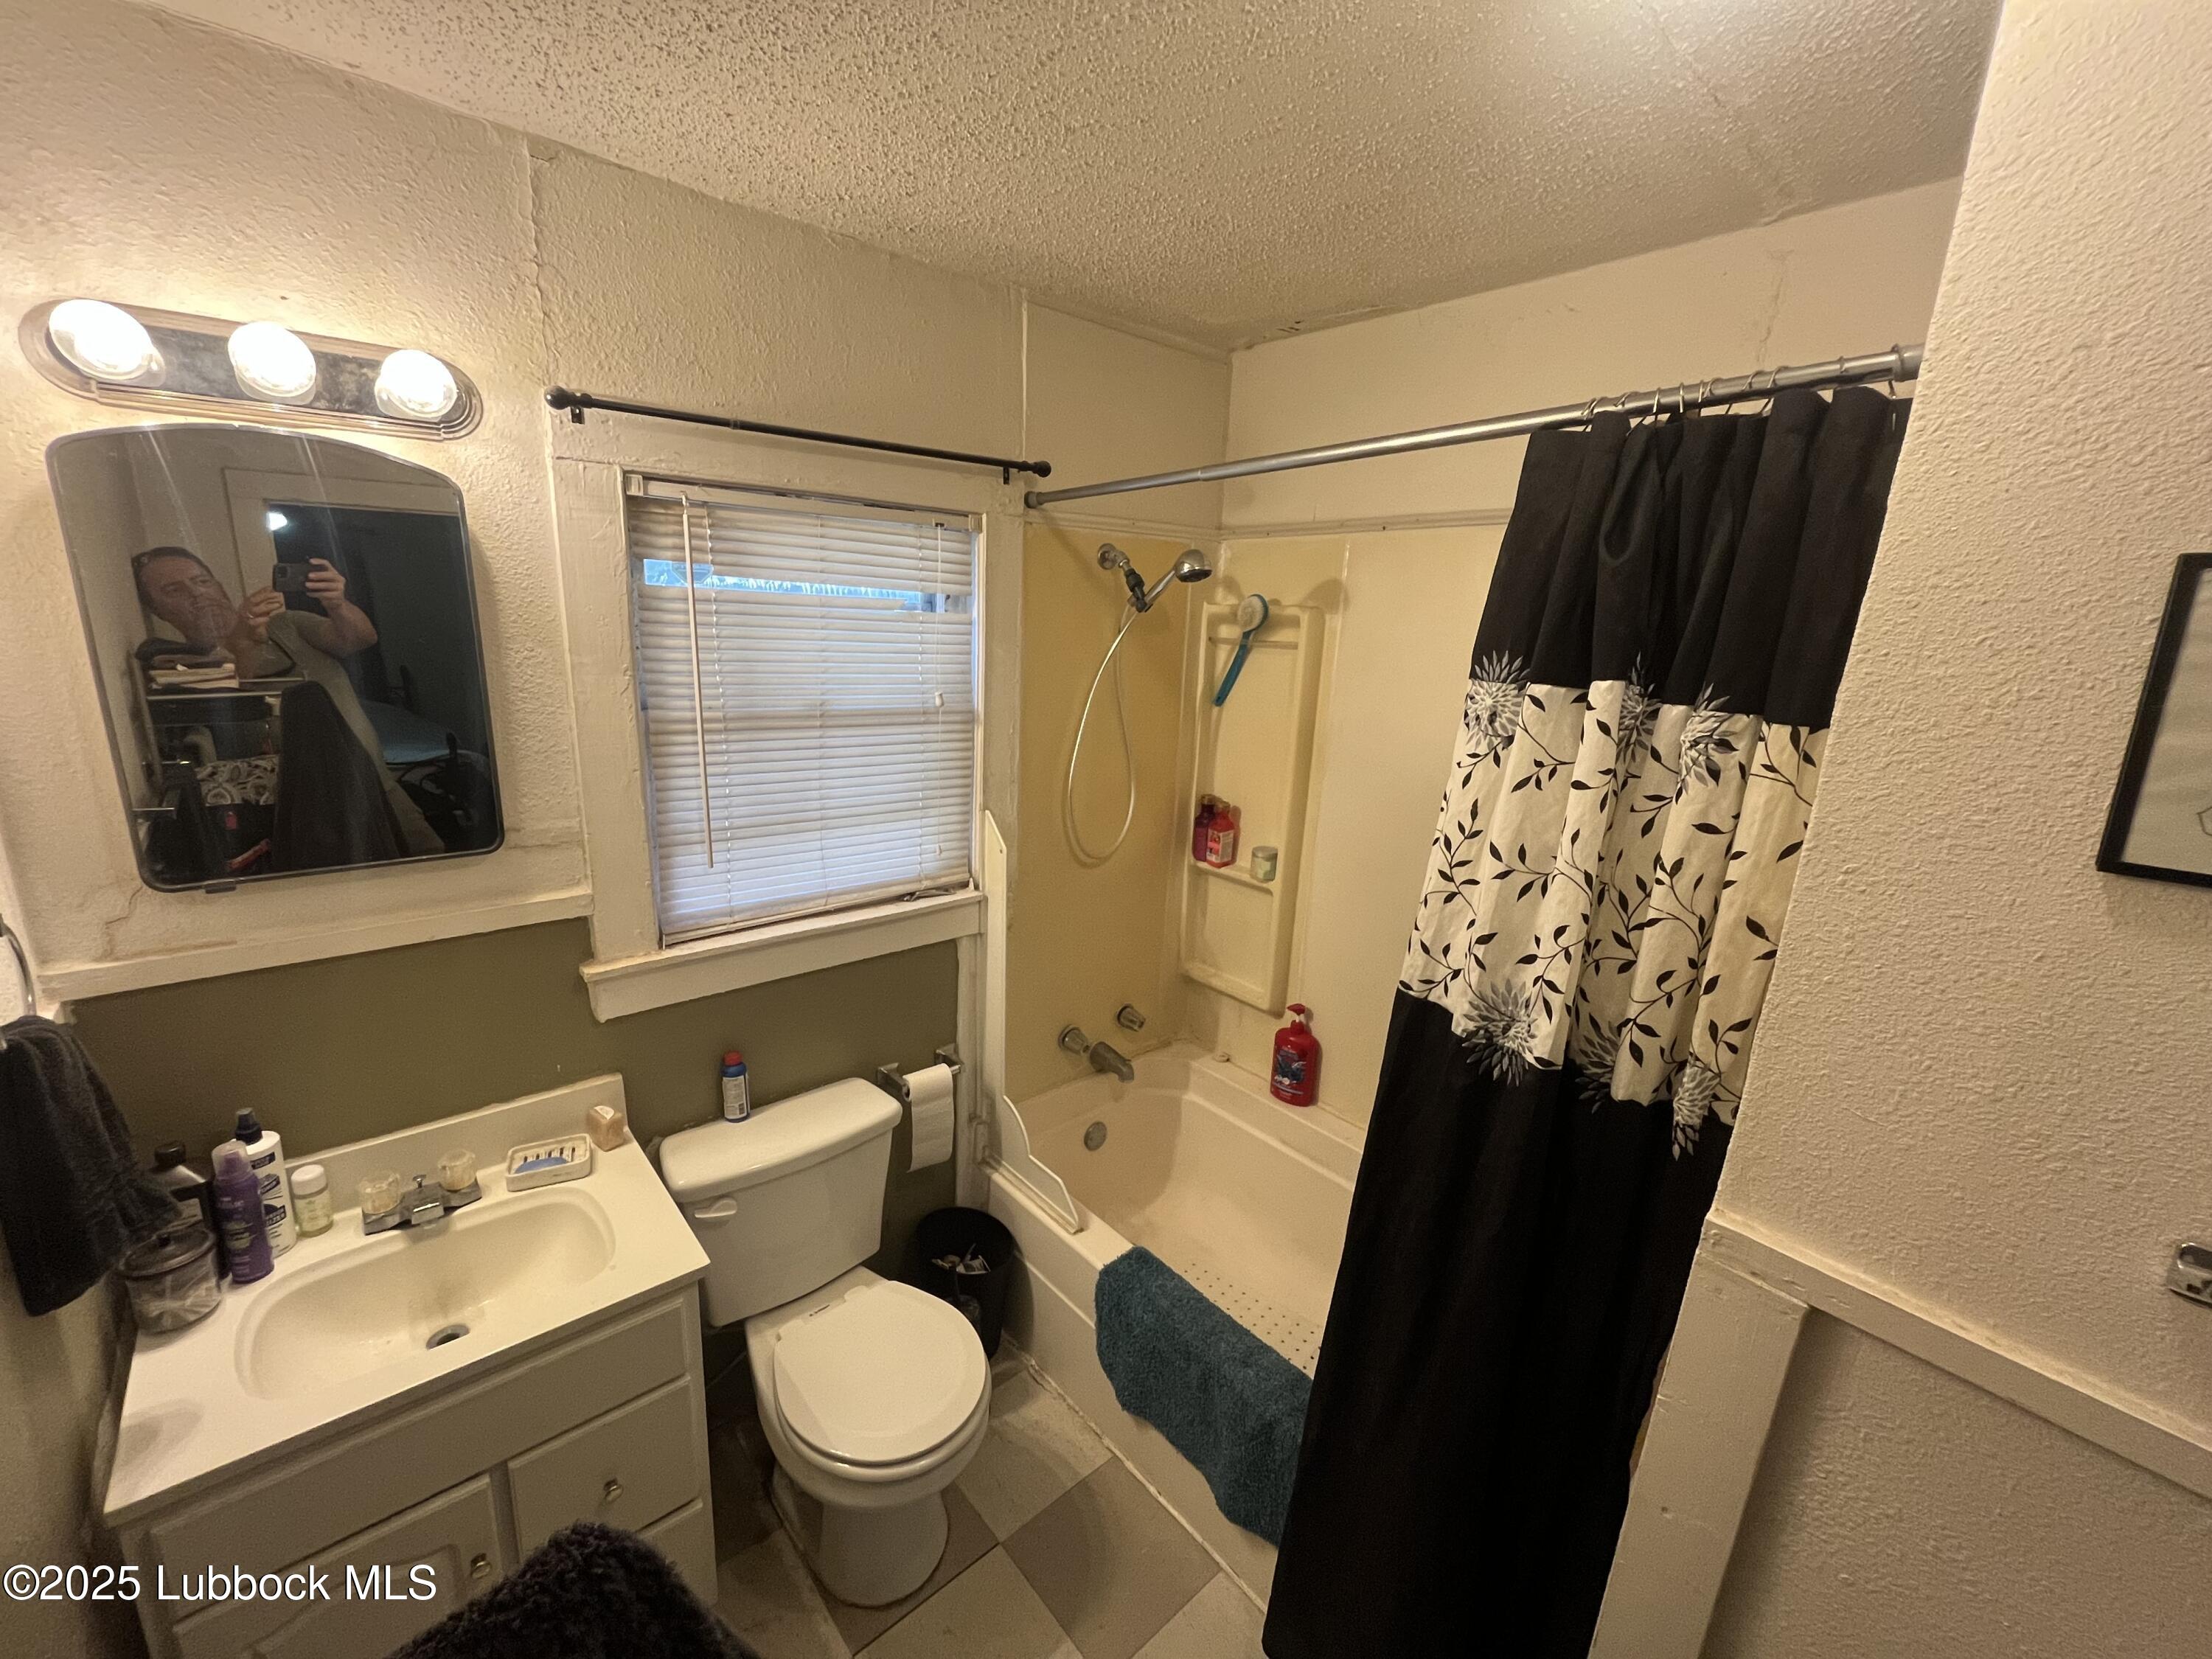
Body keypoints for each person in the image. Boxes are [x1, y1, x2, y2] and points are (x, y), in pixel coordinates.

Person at [132, 546, 442, 858]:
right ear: (157, 610)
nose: (196, 594)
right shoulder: (181, 670)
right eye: (174, 590)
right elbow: (242, 709)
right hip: (291, 816)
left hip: (377, 784)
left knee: (433, 867)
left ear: (220, 586)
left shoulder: (288, 625)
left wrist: (337, 604)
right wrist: (242, 644)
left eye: (201, 581)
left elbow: (360, 638)